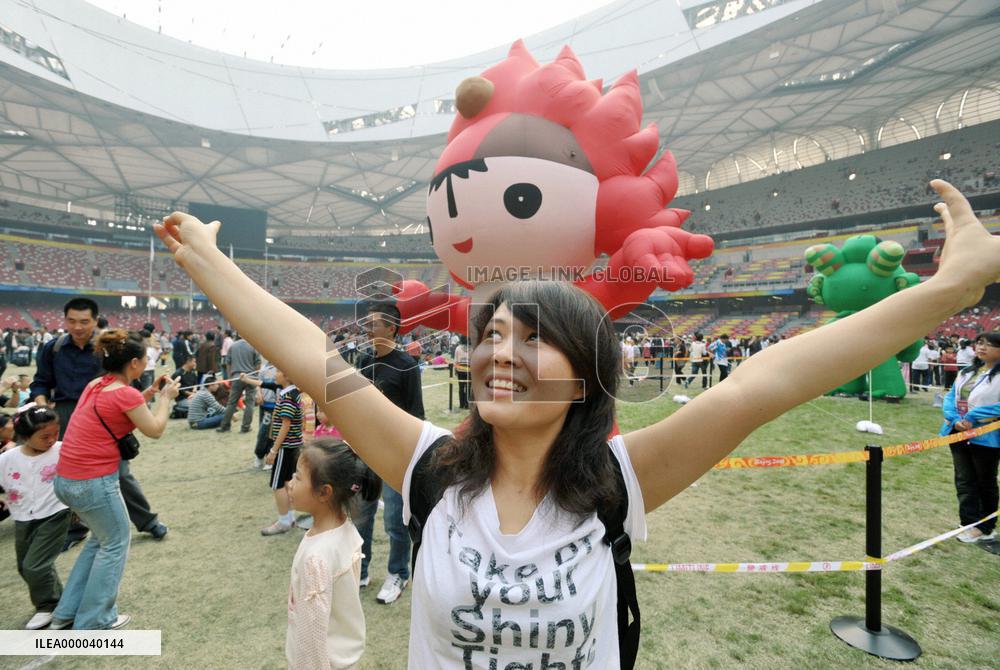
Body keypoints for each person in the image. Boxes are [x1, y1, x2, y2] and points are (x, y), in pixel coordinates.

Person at [157, 180, 999, 668]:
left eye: (533, 338)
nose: (499, 353)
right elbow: (314, 358)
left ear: (587, 376)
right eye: (490, 334)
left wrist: (950, 289)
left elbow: (764, 383)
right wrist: (212, 265)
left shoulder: (621, 481)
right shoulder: (428, 466)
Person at [50, 329, 179, 630]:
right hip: (93, 483)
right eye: (146, 361)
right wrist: (165, 399)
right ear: (134, 363)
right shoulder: (125, 393)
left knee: (101, 540)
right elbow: (155, 429)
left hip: (67, 480)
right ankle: (95, 620)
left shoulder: (98, 384)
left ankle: (66, 613)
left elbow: (118, 410)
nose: (147, 365)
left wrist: (149, 394)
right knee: (115, 543)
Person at [29, 298, 168, 542]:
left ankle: (147, 520)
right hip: (63, 413)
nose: (78, 327)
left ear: (95, 320)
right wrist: (44, 410)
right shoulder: (54, 348)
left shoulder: (109, 348)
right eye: (71, 321)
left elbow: (124, 382)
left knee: (120, 472)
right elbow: (40, 381)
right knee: (69, 471)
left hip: (106, 412)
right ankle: (75, 527)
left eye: (84, 321)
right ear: (64, 321)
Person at [285, 439, 380, 669]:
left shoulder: (316, 558)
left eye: (297, 477)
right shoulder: (345, 529)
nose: (290, 483)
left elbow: (313, 635)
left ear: (324, 492)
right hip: (343, 659)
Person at [354, 302, 424, 604]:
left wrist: (407, 454)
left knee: (395, 520)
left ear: (391, 328)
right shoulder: (364, 360)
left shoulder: (407, 365)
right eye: (366, 324)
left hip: (396, 454)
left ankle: (398, 574)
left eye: (373, 324)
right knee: (361, 515)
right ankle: (361, 571)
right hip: (365, 452)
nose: (367, 330)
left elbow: (416, 414)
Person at [0, 405, 70, 630]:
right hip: (22, 516)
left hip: (55, 514)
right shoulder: (7, 459)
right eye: (44, 436)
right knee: (25, 566)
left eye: (55, 434)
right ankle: (59, 601)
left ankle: (48, 605)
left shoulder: (62, 450)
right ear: (25, 437)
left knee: (35, 566)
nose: (51, 440)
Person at [940, 332, 1000, 543]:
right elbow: (949, 397)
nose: (982, 347)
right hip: (958, 432)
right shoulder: (967, 372)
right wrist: (954, 418)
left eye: (990, 344)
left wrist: (973, 418)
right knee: (964, 480)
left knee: (985, 481)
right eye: (980, 343)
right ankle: (968, 523)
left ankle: (985, 527)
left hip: (986, 436)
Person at [262, 368, 304, 535]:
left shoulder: (287, 396)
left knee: (277, 484)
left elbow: (285, 425)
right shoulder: (292, 392)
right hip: (293, 445)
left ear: (287, 376)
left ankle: (283, 521)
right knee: (287, 482)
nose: (275, 375)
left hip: (286, 447)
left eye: (278, 371)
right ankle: (290, 517)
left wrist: (274, 450)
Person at [217, 336, 261, 433]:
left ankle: (225, 426)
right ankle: (245, 427)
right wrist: (255, 375)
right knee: (250, 403)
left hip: (236, 377)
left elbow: (228, 363)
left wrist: (230, 377)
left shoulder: (233, 346)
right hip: (250, 377)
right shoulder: (253, 345)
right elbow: (258, 363)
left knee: (231, 402)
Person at [454, 335, 471, 410]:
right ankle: (467, 404)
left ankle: (461, 404)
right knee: (468, 388)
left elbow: (456, 360)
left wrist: (455, 370)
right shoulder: (472, 348)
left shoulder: (458, 348)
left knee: (461, 387)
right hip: (469, 370)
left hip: (460, 370)